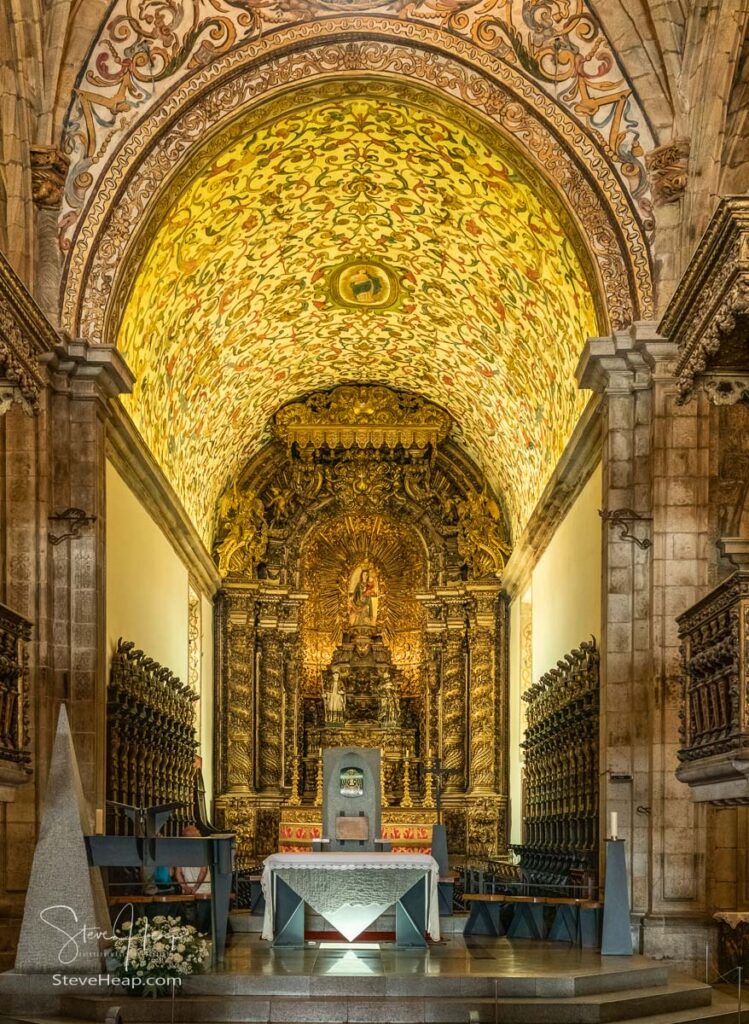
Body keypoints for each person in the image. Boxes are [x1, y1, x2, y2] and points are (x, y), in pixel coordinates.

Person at [175, 824, 211, 934]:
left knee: (191, 920)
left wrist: (184, 886)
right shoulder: (202, 849)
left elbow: (178, 873)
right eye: (197, 831)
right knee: (201, 920)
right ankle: (200, 939)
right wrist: (194, 888)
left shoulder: (180, 850)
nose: (200, 832)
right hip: (202, 889)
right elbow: (203, 871)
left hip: (189, 891)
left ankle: (193, 938)